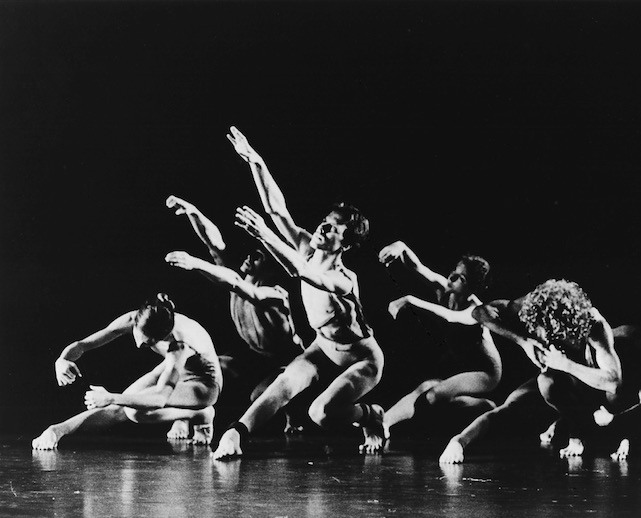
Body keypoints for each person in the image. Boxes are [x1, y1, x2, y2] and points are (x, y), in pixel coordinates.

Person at [212, 126, 383, 459]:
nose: (324, 227)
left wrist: (264, 236)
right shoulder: (305, 244)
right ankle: (236, 434)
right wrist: (255, 160)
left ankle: (371, 415)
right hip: (321, 346)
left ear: (345, 243)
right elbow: (278, 211)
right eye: (325, 220)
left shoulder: (344, 279)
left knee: (320, 413)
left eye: (334, 228)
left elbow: (302, 272)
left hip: (360, 358)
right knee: (285, 383)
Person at [439, 279, 641, 463]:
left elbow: (613, 381)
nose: (545, 332)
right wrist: (523, 341)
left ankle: (600, 432)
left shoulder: (593, 324)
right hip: (565, 385)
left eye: (553, 327)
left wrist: (565, 364)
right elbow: (480, 311)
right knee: (527, 395)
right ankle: (459, 440)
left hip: (596, 385)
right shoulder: (533, 308)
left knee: (614, 401)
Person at [164, 194, 305, 434]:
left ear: (268, 263)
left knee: (259, 395)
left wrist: (196, 263)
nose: (248, 257)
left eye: (257, 256)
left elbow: (243, 288)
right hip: (252, 357)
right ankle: (185, 415)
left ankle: (294, 415)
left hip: (285, 360)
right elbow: (214, 244)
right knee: (202, 367)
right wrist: (192, 211)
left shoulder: (276, 293)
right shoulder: (236, 276)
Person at [31, 294, 222, 449]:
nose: (139, 345)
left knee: (134, 412)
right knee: (122, 407)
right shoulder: (135, 318)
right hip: (170, 369)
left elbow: (159, 399)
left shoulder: (179, 345)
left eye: (148, 343)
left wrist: (112, 397)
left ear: (164, 336)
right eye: (138, 336)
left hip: (203, 384)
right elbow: (84, 345)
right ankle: (56, 431)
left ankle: (199, 414)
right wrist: (63, 359)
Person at [363, 241, 500, 453]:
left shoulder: (476, 310)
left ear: (471, 287)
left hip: (485, 372)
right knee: (425, 387)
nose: (451, 279)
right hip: (463, 365)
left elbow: (449, 316)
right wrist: (400, 248)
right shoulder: (445, 289)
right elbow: (417, 267)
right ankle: (384, 423)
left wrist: (409, 300)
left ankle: (485, 408)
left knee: (432, 397)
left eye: (460, 278)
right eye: (453, 273)